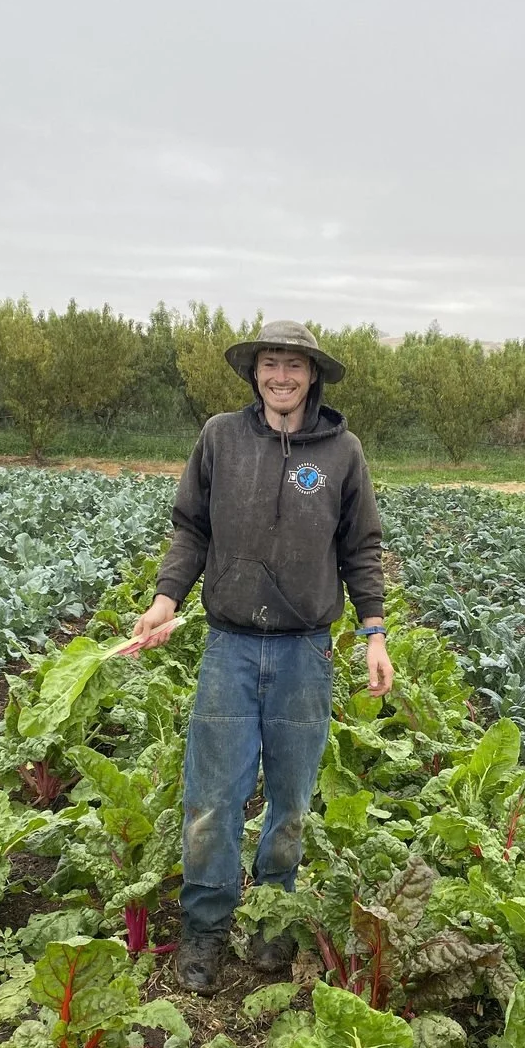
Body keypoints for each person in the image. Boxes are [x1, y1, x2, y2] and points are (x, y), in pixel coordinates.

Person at [124, 320, 393, 993]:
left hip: (306, 650)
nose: (281, 377)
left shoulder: (341, 451)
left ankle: (272, 915)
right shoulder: (221, 437)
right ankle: (207, 926)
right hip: (230, 647)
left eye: (293, 367)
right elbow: (191, 529)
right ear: (255, 373)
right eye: (270, 364)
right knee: (212, 798)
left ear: (313, 376)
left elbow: (360, 546)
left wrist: (375, 631)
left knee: (293, 799)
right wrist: (165, 600)